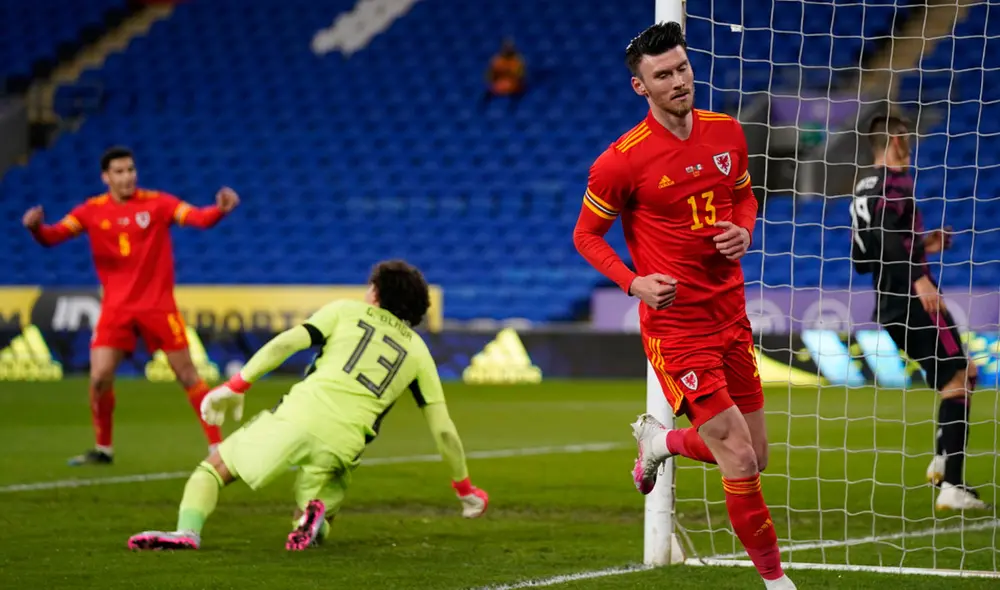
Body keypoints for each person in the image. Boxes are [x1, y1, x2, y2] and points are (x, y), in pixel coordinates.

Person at [572, 22, 794, 589]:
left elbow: (744, 199)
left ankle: (662, 441)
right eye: (662, 75)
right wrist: (633, 282)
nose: (678, 82)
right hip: (677, 326)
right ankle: (776, 582)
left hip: (731, 315)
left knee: (756, 453)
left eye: (682, 68)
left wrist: (744, 231)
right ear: (639, 87)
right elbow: (586, 236)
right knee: (739, 457)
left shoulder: (727, 132)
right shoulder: (620, 162)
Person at [127, 260, 489, 551]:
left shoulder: (346, 311)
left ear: (376, 294)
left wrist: (237, 385)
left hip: (299, 414)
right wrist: (464, 488)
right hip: (345, 442)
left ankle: (188, 533)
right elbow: (443, 429)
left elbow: (286, 343)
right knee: (319, 518)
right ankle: (311, 521)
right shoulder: (419, 352)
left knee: (213, 469)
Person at [22, 145, 239, 465]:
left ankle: (216, 447)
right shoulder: (90, 210)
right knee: (99, 378)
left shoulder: (157, 203)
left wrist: (219, 209)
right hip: (116, 308)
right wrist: (36, 228)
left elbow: (198, 218)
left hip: (158, 306)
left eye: (131, 170)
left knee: (188, 375)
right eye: (120, 172)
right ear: (105, 177)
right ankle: (103, 449)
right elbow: (53, 237)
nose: (127, 177)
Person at [851, 114, 988, 510]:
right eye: (906, 139)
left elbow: (864, 257)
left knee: (964, 374)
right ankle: (953, 486)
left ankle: (944, 463)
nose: (909, 146)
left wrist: (924, 244)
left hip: (889, 301)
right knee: (959, 379)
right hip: (914, 299)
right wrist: (919, 278)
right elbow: (887, 237)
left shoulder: (862, 188)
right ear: (895, 140)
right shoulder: (893, 182)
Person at [481, 38, 526, 111]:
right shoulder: (497, 60)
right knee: (486, 95)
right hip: (499, 85)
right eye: (506, 47)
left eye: (509, 47)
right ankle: (482, 110)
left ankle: (512, 109)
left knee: (520, 91)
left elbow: (521, 76)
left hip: (513, 85)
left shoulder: (518, 60)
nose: (508, 49)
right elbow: (489, 75)